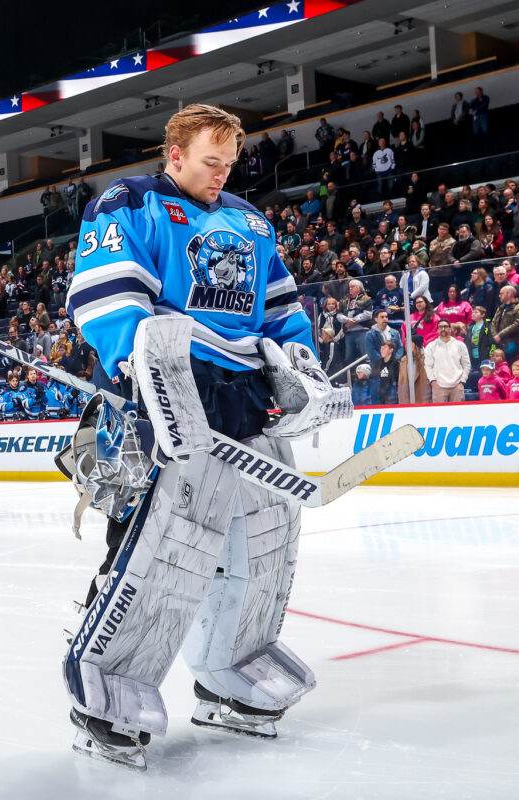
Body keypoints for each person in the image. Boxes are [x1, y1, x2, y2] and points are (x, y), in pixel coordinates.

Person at [62, 104, 348, 768]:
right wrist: (144, 365)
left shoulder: (249, 221)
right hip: (169, 382)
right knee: (169, 543)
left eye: (229, 163)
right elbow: (108, 294)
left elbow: (280, 310)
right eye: (209, 161)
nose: (221, 174)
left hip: (243, 392)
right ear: (175, 154)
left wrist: (299, 370)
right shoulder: (130, 202)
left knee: (265, 537)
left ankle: (231, 666)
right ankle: (110, 686)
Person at [424, 320, 469, 402]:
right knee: (439, 414)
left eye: (445, 326)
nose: (443, 329)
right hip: (438, 386)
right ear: (437, 330)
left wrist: (462, 380)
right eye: (440, 327)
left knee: (458, 413)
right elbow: (428, 366)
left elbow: (466, 365)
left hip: (457, 386)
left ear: (450, 329)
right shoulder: (431, 346)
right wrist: (432, 381)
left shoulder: (460, 345)